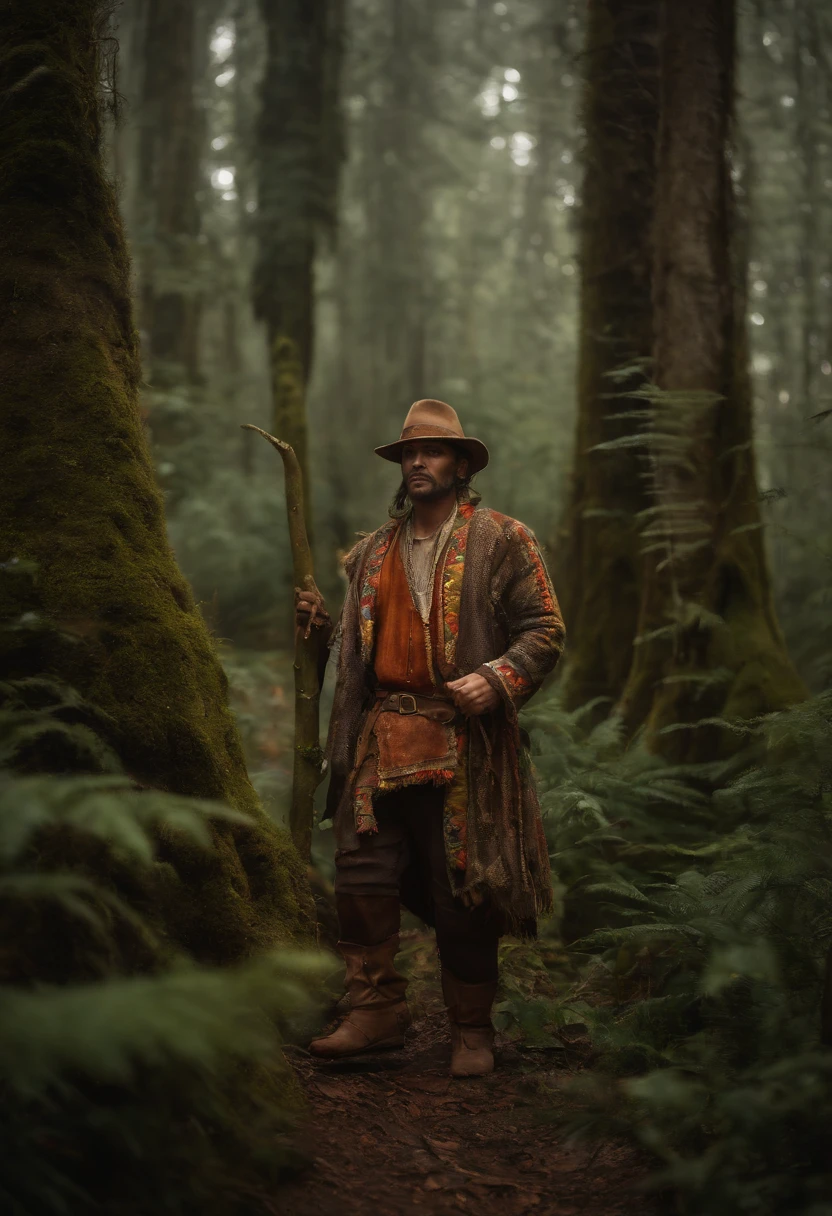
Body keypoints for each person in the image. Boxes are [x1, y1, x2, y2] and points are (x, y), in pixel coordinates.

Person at [296, 398, 565, 1076]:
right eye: (409, 453)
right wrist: (321, 630)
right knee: (360, 871)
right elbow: (361, 652)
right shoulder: (372, 553)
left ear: (461, 463)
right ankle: (374, 1011)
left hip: (464, 741)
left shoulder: (504, 539)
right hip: (380, 735)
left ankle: (471, 1028)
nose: (417, 461)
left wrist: (498, 678)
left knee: (464, 888)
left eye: (433, 451)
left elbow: (545, 630)